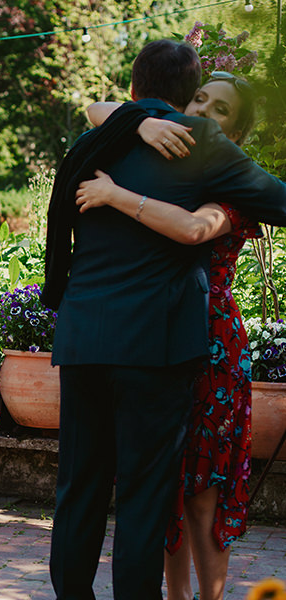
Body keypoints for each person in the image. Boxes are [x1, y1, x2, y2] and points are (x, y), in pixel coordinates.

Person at [42, 39, 286, 600]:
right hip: (157, 346)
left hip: (84, 337)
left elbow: (97, 115)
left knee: (78, 488)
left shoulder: (97, 140)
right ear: (189, 92)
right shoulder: (201, 143)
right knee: (145, 496)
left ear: (134, 87)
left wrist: (138, 120)